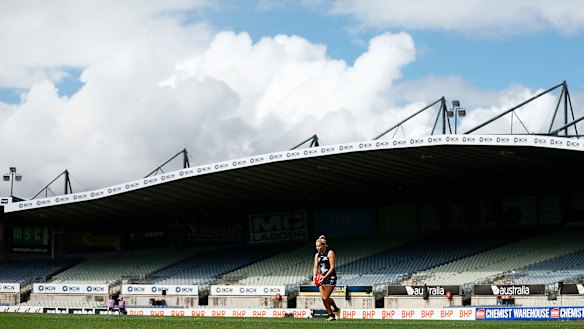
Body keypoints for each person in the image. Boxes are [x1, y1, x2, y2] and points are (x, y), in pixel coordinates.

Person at [313, 235, 340, 321]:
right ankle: (331, 315)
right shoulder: (317, 255)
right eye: (316, 246)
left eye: (319, 246)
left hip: (330, 277)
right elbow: (315, 267)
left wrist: (325, 276)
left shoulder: (330, 253)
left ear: (324, 245)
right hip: (321, 277)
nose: (317, 248)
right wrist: (314, 276)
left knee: (325, 297)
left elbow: (332, 267)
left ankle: (335, 308)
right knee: (323, 298)